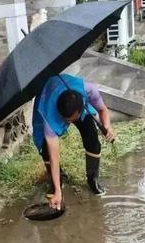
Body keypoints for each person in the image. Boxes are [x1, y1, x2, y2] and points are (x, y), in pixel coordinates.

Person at [33, 74, 115, 210]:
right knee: (46, 149)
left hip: (76, 101)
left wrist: (107, 125)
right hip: (47, 97)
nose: (68, 124)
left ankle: (92, 179)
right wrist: (58, 192)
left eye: (71, 120)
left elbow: (102, 109)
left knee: (92, 138)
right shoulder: (49, 115)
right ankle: (57, 183)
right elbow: (54, 156)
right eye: (66, 120)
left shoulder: (89, 90)